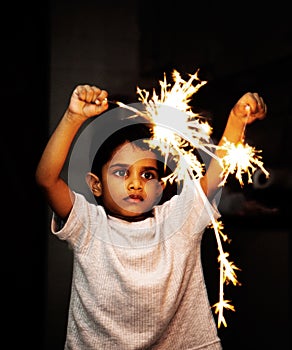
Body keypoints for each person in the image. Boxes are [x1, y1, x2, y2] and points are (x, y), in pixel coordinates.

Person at [35, 84, 267, 349]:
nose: (136, 184)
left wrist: (236, 121)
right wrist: (73, 117)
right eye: (121, 173)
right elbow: (46, 180)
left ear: (160, 186)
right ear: (95, 184)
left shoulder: (179, 220)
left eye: (147, 175)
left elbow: (214, 176)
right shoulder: (88, 225)